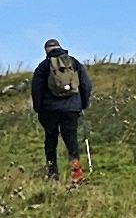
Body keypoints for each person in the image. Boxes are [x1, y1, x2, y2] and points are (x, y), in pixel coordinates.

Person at [30, 38, 92, 182]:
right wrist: (82, 104)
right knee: (71, 141)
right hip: (71, 109)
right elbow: (86, 85)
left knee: (51, 140)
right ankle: (76, 174)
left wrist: (38, 109)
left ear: (46, 50)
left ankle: (52, 174)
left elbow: (36, 89)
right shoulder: (74, 63)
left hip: (49, 110)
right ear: (60, 47)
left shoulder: (43, 66)